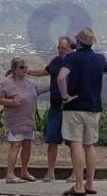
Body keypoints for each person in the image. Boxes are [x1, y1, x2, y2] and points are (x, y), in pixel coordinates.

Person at [56, 27, 107, 196]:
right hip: (93, 107)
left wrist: (65, 97)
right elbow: (105, 71)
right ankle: (90, 183)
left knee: (76, 144)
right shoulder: (100, 59)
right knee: (90, 145)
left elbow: (61, 77)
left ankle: (78, 185)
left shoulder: (72, 58)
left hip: (74, 106)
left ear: (77, 42)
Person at [27, 35, 73, 181]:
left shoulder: (75, 62)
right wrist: (27, 72)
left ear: (70, 48)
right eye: (58, 47)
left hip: (70, 107)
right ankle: (50, 172)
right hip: (55, 107)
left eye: (62, 48)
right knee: (52, 140)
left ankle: (76, 173)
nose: (60, 50)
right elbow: (44, 72)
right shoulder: (56, 61)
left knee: (73, 142)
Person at [0, 57, 49, 184]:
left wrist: (56, 84)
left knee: (27, 145)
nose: (25, 69)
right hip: (15, 121)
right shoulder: (7, 83)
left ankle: (24, 171)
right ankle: (10, 174)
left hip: (28, 120)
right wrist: (12, 102)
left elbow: (40, 91)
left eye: (26, 67)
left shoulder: (31, 83)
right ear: (14, 69)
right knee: (15, 145)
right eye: (21, 67)